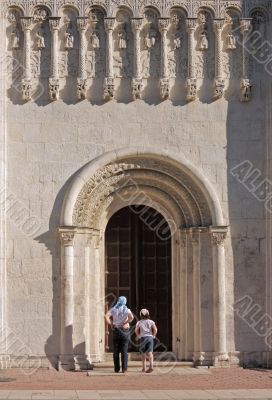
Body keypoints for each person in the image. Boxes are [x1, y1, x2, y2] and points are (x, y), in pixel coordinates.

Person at [105, 296, 134, 373]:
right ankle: (124, 369)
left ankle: (116, 368)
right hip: (125, 330)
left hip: (116, 330)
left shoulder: (114, 309)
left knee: (116, 351)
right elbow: (131, 317)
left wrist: (111, 324)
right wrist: (126, 322)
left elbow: (106, 316)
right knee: (124, 351)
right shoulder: (126, 309)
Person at [135, 308, 157, 373]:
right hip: (150, 338)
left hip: (142, 338)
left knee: (143, 353)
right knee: (150, 352)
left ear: (141, 315)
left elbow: (136, 330)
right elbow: (155, 329)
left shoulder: (139, 322)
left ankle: (144, 368)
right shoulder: (151, 321)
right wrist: (153, 335)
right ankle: (151, 366)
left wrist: (138, 336)